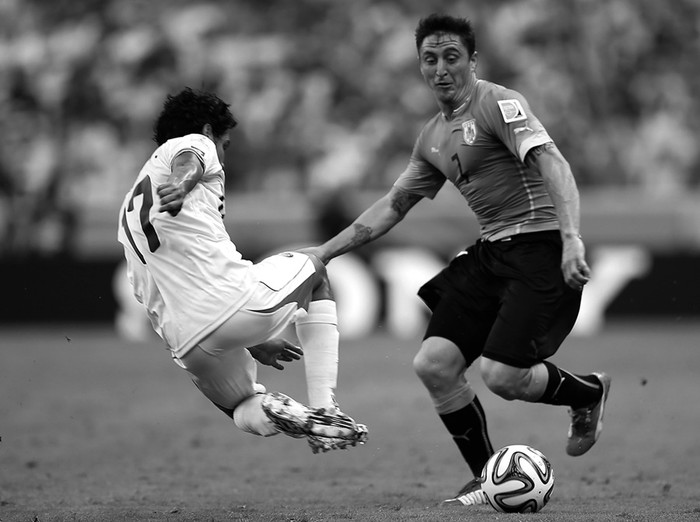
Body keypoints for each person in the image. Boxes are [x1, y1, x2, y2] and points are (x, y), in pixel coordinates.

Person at [302, 13, 611, 504]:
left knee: (501, 375)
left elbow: (554, 163)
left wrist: (571, 236)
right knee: (434, 364)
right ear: (420, 66)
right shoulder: (431, 137)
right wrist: (323, 253)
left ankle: (588, 393)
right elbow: (392, 207)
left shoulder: (498, 103)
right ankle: (487, 479)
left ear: (472, 60)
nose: (441, 68)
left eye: (451, 57)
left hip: (539, 246)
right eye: (430, 59)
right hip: (492, 251)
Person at [117, 87, 367, 454]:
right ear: (208, 131)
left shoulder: (126, 214)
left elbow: (152, 292)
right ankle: (325, 410)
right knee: (317, 268)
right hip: (231, 302)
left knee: (241, 406)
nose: (223, 155)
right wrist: (181, 184)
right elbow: (191, 160)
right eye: (226, 144)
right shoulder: (191, 143)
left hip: (187, 342)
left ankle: (282, 411)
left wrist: (251, 339)